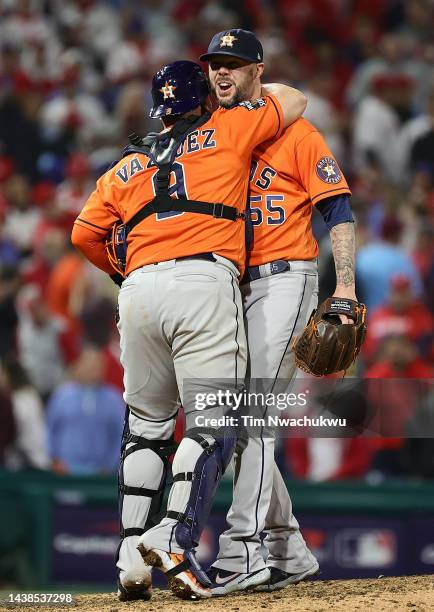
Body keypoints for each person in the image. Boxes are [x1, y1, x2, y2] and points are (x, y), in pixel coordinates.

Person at [71, 60, 306, 601]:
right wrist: (238, 92)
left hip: (138, 291)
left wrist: (123, 270)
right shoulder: (227, 127)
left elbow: (84, 233)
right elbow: (294, 100)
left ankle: (131, 557)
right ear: (204, 99)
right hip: (203, 278)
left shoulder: (126, 164)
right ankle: (173, 541)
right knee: (213, 422)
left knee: (146, 427)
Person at [199, 29, 355, 594]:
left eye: (235, 65)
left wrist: (346, 290)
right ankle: (288, 552)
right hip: (236, 288)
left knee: (254, 415)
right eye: (216, 63)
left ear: (258, 72)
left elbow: (338, 212)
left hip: (288, 278)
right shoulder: (216, 134)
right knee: (242, 422)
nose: (223, 73)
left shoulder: (297, 130)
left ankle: (243, 551)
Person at [46, 346, 124, 475]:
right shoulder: (62, 396)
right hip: (66, 472)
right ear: (78, 366)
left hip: (101, 475)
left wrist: (110, 465)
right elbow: (50, 429)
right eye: (88, 365)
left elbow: (119, 436)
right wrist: (54, 460)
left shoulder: (113, 399)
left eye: (96, 366)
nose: (91, 370)